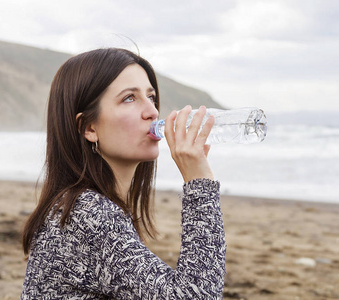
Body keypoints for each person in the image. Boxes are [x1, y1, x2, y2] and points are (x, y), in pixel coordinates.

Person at [21, 48, 226, 299]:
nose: (152, 111)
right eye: (129, 98)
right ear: (88, 127)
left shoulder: (77, 206)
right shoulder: (86, 215)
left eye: (151, 97)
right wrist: (199, 183)